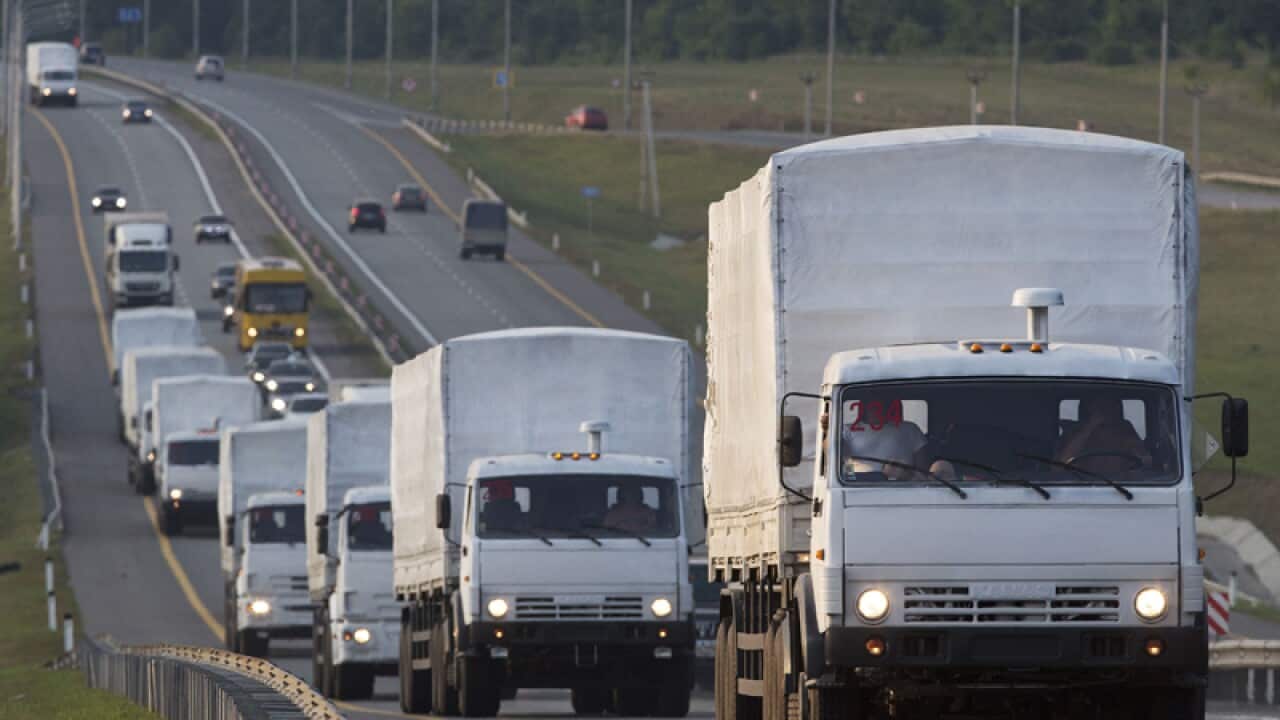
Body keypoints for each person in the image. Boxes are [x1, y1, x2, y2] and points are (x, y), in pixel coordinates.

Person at [1055, 396, 1151, 474]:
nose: (1106, 411)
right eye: (1099, 407)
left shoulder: (1125, 429)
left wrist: (1131, 444)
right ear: (1089, 410)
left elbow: (1146, 461)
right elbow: (1059, 467)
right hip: (1081, 485)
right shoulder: (1074, 432)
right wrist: (1089, 427)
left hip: (1124, 484)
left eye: (1110, 406)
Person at [841, 418, 929, 480]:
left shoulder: (910, 429)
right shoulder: (846, 430)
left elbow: (923, 473)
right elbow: (843, 464)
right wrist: (852, 477)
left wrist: (906, 474)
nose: (877, 401)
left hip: (905, 489)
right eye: (871, 395)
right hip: (856, 489)